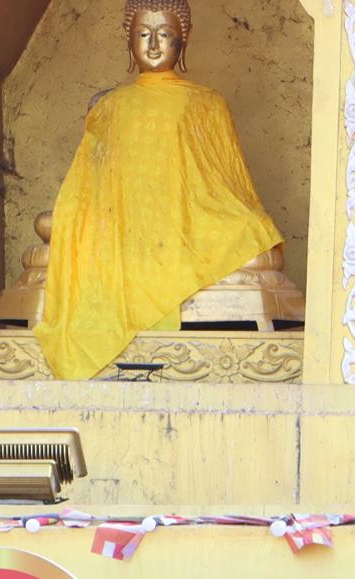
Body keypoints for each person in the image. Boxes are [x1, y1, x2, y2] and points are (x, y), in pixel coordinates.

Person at [34, 1, 288, 380]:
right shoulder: (108, 105)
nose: (153, 44)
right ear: (128, 40)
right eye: (143, 34)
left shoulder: (208, 103)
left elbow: (226, 183)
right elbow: (90, 186)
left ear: (182, 41)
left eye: (164, 34)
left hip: (186, 224)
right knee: (49, 224)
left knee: (255, 236)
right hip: (120, 225)